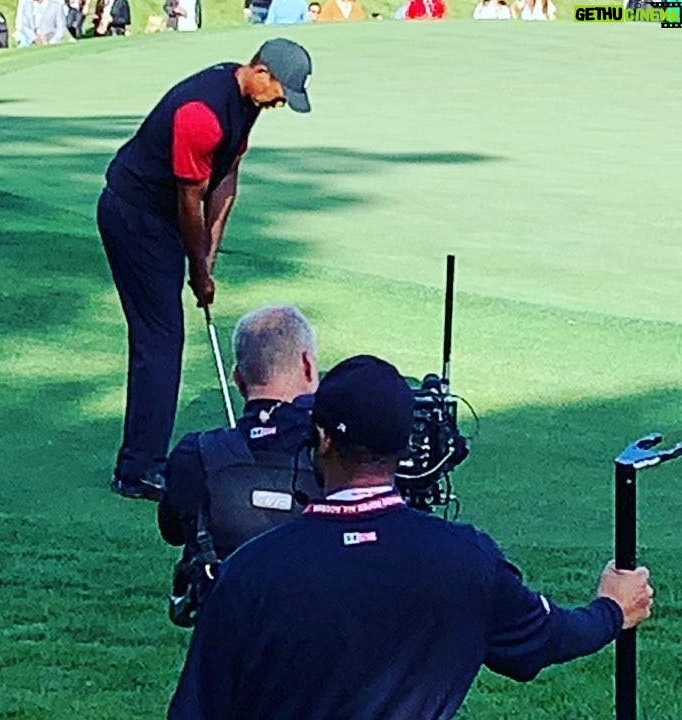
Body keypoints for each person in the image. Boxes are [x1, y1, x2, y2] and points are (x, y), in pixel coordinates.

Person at [168, 354, 655, 720]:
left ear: (322, 441)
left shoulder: (252, 571)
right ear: (405, 450)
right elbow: (546, 638)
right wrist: (611, 610)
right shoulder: (467, 562)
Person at [98, 38, 313, 502]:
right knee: (161, 338)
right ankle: (137, 469)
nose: (280, 101)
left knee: (162, 336)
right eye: (280, 91)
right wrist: (197, 267)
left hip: (167, 215)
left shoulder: (246, 104)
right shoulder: (202, 111)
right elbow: (189, 200)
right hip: (134, 214)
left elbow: (227, 177)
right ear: (260, 71)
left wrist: (210, 253)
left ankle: (141, 459)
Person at [158, 304, 321, 625]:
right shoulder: (335, 455)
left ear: (237, 377)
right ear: (307, 366)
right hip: (315, 637)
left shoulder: (196, 453)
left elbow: (172, 530)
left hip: (224, 639)